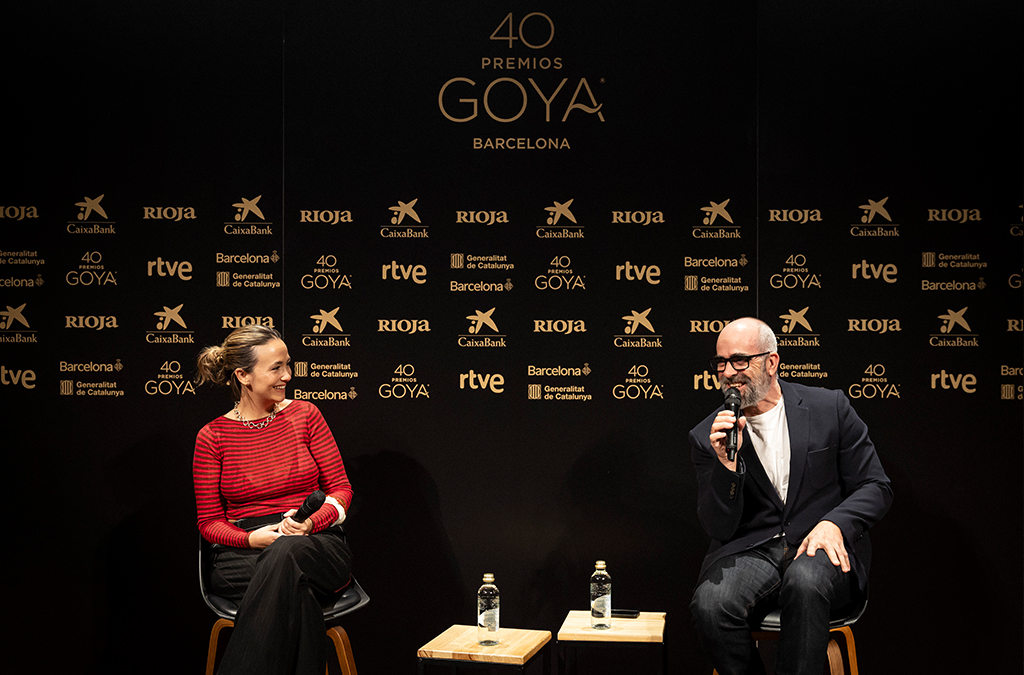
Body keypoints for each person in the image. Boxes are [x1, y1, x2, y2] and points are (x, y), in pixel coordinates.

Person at [688, 317, 892, 675]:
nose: (728, 373)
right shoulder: (709, 434)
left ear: (771, 361)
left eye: (739, 360)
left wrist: (834, 524)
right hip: (754, 551)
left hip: (820, 548)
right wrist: (726, 466)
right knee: (710, 604)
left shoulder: (830, 408)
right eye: (720, 363)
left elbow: (876, 485)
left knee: (806, 581)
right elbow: (717, 525)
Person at [194, 325, 354, 675]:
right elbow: (208, 524)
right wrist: (252, 538)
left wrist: (311, 522)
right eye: (276, 367)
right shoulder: (212, 437)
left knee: (286, 554)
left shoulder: (306, 416)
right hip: (243, 553)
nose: (288, 375)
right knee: (298, 596)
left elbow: (341, 490)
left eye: (288, 365)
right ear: (243, 376)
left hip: (314, 541)